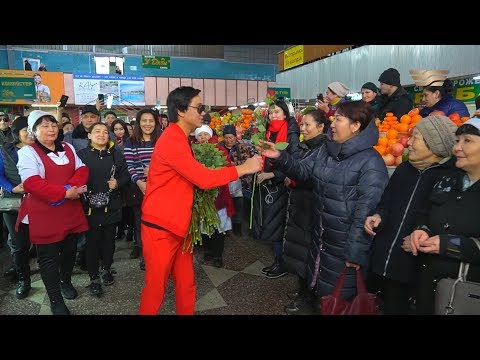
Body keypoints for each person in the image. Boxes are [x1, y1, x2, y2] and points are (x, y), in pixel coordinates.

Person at [138, 86, 262, 315]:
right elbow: (203, 179)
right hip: (161, 227)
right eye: (199, 107)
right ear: (182, 111)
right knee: (156, 288)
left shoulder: (180, 138)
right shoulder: (172, 140)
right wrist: (243, 168)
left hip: (179, 226)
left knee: (186, 283)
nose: (203, 113)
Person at [259, 100, 389, 312]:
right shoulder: (327, 151)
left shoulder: (370, 163)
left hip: (344, 246)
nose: (332, 124)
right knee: (323, 293)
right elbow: (304, 173)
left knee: (340, 300)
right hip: (320, 236)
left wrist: (355, 252)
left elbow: (366, 211)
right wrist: (280, 157)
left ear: (355, 126)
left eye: (338, 119)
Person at [365, 115, 458, 314]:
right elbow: (386, 202)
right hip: (386, 254)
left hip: (415, 262)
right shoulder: (404, 170)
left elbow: (441, 219)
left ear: (434, 146)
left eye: (416, 138)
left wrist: (421, 234)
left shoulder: (449, 178)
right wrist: (378, 215)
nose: (409, 142)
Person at [404, 115, 480, 314]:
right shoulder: (448, 179)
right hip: (428, 288)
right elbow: (426, 212)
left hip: (466, 296)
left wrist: (449, 245)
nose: (456, 148)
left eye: (468, 141)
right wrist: (421, 230)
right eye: (457, 141)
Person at [16, 110, 89, 315]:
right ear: (34, 131)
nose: (51, 129)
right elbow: (32, 183)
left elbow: (82, 170)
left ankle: (66, 280)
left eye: (53, 125)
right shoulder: (27, 152)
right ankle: (56, 300)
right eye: (44, 126)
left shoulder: (67, 147)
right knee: (48, 259)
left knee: (69, 251)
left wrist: (73, 188)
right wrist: (66, 192)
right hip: (44, 213)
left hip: (70, 211)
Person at [281, 109, 330, 314]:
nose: (303, 128)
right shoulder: (305, 146)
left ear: (321, 127)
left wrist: (293, 177)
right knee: (301, 251)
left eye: (308, 125)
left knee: (310, 253)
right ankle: (302, 289)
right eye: (302, 124)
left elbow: (313, 176)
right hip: (300, 206)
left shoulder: (324, 149)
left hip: (312, 207)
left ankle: (309, 295)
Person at [77, 123, 130, 296]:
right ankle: (93, 277)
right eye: (97, 132)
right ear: (89, 136)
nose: (102, 135)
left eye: (105, 132)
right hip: (89, 208)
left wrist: (118, 183)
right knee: (91, 242)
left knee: (109, 241)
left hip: (112, 206)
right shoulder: (81, 156)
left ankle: (106, 269)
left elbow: (126, 174)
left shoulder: (116, 155)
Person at [252, 100, 300, 280]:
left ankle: (282, 263)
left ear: (285, 114)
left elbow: (294, 162)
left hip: (283, 185)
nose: (273, 116)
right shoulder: (269, 131)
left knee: (279, 226)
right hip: (271, 185)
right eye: (271, 113)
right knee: (273, 224)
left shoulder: (291, 133)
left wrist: (272, 174)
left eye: (277, 112)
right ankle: (279, 260)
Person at [123, 109, 162, 270]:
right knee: (141, 224)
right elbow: (129, 165)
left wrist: (154, 172)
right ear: (138, 123)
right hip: (139, 189)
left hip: (160, 188)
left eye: (151, 120)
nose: (148, 124)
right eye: (144, 120)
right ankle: (145, 256)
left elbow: (168, 163)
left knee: (159, 224)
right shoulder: (131, 142)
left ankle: (159, 254)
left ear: (156, 123)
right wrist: (140, 182)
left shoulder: (162, 140)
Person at [0, 116, 34, 299]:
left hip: (39, 202)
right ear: (17, 133)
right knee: (19, 244)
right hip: (14, 203)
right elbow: (0, 175)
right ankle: (24, 280)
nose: (29, 133)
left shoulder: (43, 149)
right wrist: (11, 187)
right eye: (25, 130)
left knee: (45, 242)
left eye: (31, 129)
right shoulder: (6, 150)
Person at [194, 124, 235, 268]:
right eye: (200, 135)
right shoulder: (193, 152)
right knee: (203, 226)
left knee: (218, 227)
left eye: (205, 134)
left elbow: (229, 170)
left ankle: (218, 255)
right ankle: (208, 252)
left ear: (210, 136)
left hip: (219, 195)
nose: (203, 137)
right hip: (201, 195)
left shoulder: (220, 150)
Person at [217, 124, 255, 236]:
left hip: (239, 182)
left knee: (238, 205)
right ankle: (226, 229)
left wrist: (234, 167)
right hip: (223, 183)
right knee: (224, 206)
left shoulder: (242, 147)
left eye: (231, 137)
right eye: (226, 137)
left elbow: (246, 163)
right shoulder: (218, 147)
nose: (228, 140)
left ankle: (237, 227)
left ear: (235, 137)